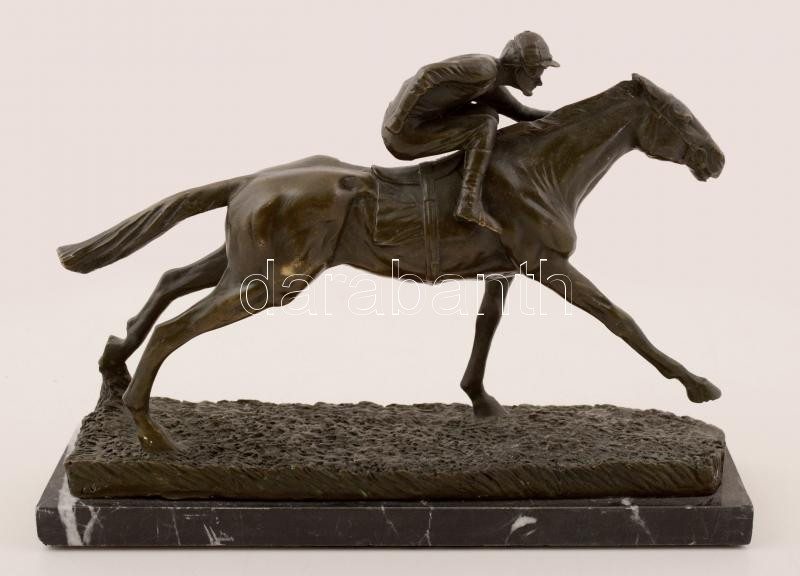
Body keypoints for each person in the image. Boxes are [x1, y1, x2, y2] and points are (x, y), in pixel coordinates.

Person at [381, 31, 559, 233]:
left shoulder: (490, 83)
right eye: (538, 73)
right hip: (403, 133)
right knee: (484, 124)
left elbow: (522, 113)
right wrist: (398, 120)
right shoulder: (484, 70)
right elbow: (425, 74)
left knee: (487, 113)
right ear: (521, 69)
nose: (540, 81)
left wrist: (570, 116)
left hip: (414, 125)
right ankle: (468, 202)